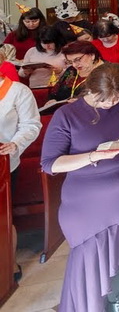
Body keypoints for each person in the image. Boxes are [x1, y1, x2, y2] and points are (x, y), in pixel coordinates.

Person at [41, 64, 119, 312]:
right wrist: (94, 156)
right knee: (91, 250)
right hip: (87, 197)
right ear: (90, 88)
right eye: (103, 99)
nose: (110, 104)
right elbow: (50, 164)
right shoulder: (68, 115)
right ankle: (91, 302)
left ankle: (118, 297)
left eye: (117, 98)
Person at [0, 71, 40, 284]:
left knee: (2, 218)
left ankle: (8, 263)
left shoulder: (17, 91)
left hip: (4, 163)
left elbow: (31, 125)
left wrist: (15, 143)